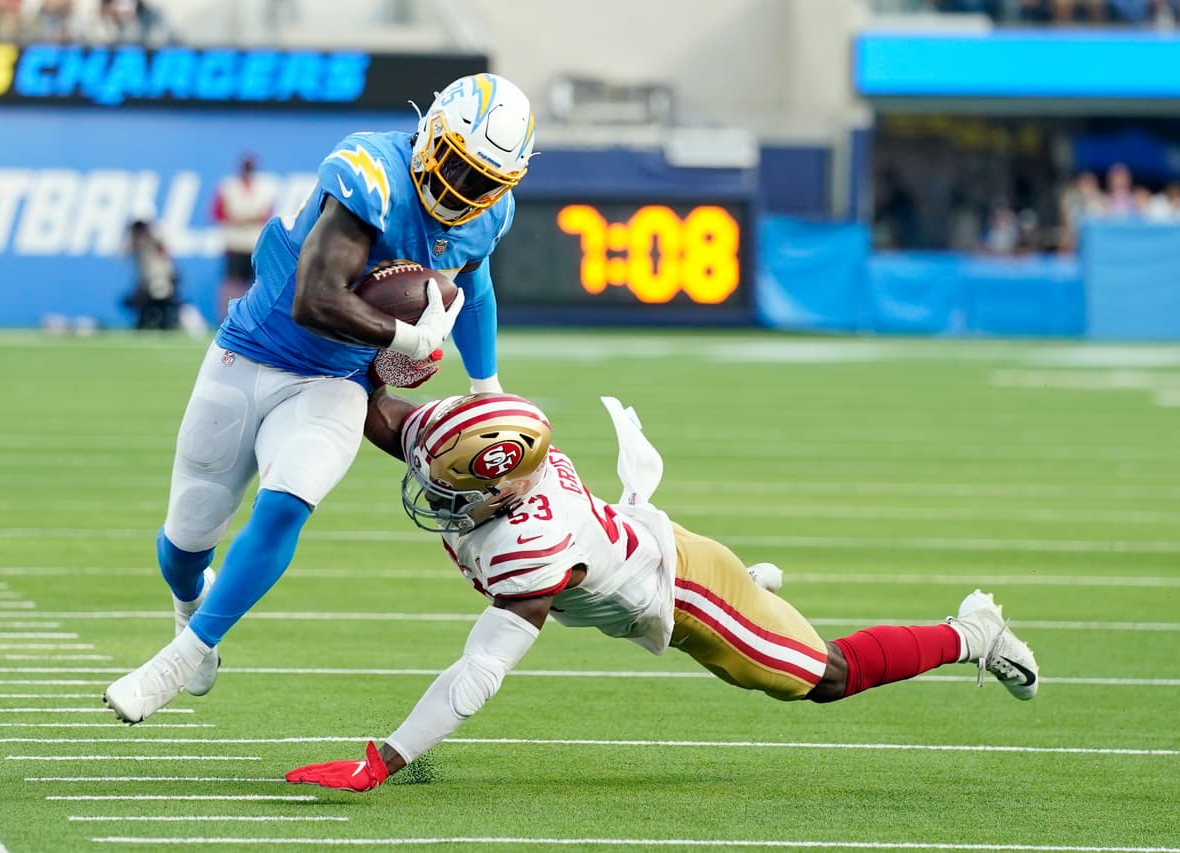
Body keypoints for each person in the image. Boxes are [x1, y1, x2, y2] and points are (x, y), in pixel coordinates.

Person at [285, 390, 1040, 791]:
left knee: (821, 679)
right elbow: (380, 410)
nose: (435, 494)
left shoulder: (530, 544)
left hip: (687, 596)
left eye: (453, 488)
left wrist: (386, 757)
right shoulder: (483, 448)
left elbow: (481, 671)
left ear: (506, 488)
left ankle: (975, 631)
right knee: (781, 631)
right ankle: (761, 592)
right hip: (650, 552)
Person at [103, 73, 537, 724]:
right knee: (182, 547)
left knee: (288, 501)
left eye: (481, 180)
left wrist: (487, 387)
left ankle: (180, 657)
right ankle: (191, 602)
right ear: (429, 135)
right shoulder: (370, 172)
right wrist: (404, 336)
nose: (462, 191)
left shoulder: (485, 216)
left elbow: (473, 286)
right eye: (455, 166)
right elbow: (315, 298)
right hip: (252, 352)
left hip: (337, 382)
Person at [210, 154, 275, 322]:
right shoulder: (228, 187)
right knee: (232, 283)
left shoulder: (265, 187)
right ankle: (226, 318)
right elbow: (218, 213)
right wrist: (244, 218)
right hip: (234, 242)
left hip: (255, 242)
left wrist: (241, 218)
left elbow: (267, 215)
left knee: (257, 283)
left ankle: (255, 319)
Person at [121, 219, 181, 331]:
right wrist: (131, 236)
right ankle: (145, 323)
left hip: (161, 276)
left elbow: (167, 249)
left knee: (161, 296)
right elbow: (123, 254)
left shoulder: (155, 235)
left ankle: (166, 323)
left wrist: (153, 232)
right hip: (145, 280)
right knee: (136, 301)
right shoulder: (134, 238)